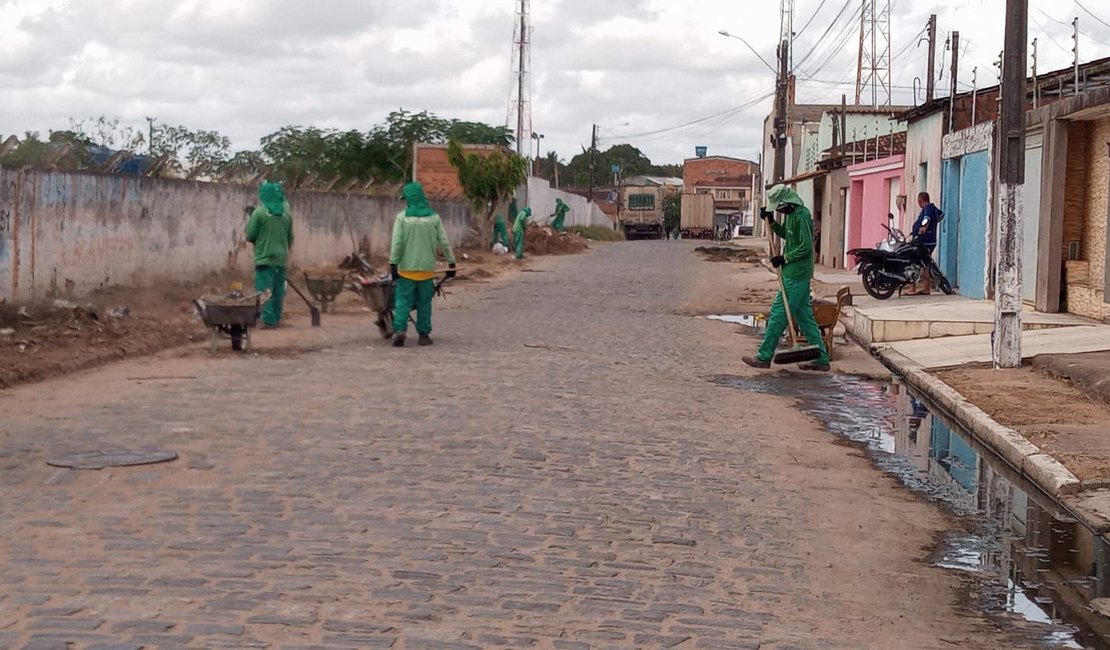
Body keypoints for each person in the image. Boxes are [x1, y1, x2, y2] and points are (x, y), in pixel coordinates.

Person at [741, 185, 830, 372]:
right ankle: (821, 358)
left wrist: (785, 258)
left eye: (779, 207)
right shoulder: (791, 216)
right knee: (805, 317)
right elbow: (787, 235)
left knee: (778, 312)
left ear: (787, 202)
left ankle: (764, 356)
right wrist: (772, 222)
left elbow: (806, 247)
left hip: (797, 274)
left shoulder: (801, 216)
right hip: (792, 272)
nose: (779, 210)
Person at [389, 182, 457, 347]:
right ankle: (424, 335)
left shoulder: (402, 218)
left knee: (403, 301)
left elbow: (397, 243)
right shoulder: (434, 218)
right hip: (427, 270)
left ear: (409, 200)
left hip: (406, 270)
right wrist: (451, 262)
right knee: (424, 303)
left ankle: (400, 331)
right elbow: (444, 242)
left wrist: (393, 263)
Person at [245, 181, 293, 329]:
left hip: (265, 258)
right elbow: (290, 237)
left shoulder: (259, 212)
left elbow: (250, 234)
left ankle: (269, 320)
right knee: (278, 290)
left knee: (265, 289)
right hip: (281, 258)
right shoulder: (286, 214)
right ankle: (276, 318)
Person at [906, 192, 942, 295]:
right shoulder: (933, 208)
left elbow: (926, 219)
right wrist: (932, 226)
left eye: (918, 201)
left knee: (912, 261)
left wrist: (924, 228)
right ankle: (926, 288)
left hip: (925, 241)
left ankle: (912, 288)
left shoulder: (928, 208)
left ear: (920, 200)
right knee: (925, 263)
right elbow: (941, 215)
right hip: (930, 240)